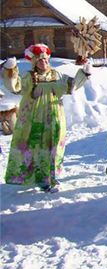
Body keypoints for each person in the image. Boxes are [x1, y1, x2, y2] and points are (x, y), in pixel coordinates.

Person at [1, 44, 91, 193]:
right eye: (40, 60)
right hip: (32, 118)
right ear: (34, 62)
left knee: (53, 146)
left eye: (45, 59)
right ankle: (33, 177)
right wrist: (10, 70)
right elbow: (15, 87)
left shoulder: (57, 75)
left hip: (54, 117)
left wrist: (84, 74)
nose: (44, 62)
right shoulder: (28, 76)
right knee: (35, 146)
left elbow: (71, 86)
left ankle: (49, 177)